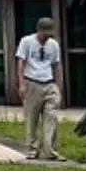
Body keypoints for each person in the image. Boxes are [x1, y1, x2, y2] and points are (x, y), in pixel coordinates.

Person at [15, 17, 65, 161]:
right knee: (32, 118)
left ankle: (50, 150)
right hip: (32, 82)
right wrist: (21, 83)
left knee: (51, 117)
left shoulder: (53, 45)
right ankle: (32, 149)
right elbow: (21, 62)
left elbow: (56, 64)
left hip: (49, 83)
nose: (46, 36)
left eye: (49, 33)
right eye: (44, 33)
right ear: (39, 30)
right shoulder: (27, 41)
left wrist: (59, 84)